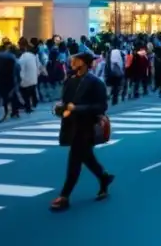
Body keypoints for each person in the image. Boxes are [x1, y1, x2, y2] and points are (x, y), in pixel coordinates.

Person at [50, 50, 114, 212]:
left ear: (84, 63)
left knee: (75, 160)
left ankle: (64, 196)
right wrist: (60, 108)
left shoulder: (95, 82)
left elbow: (101, 107)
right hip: (71, 125)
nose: (72, 62)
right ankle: (104, 178)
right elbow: (66, 102)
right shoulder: (70, 80)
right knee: (86, 157)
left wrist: (77, 108)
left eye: (76, 60)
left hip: (86, 126)